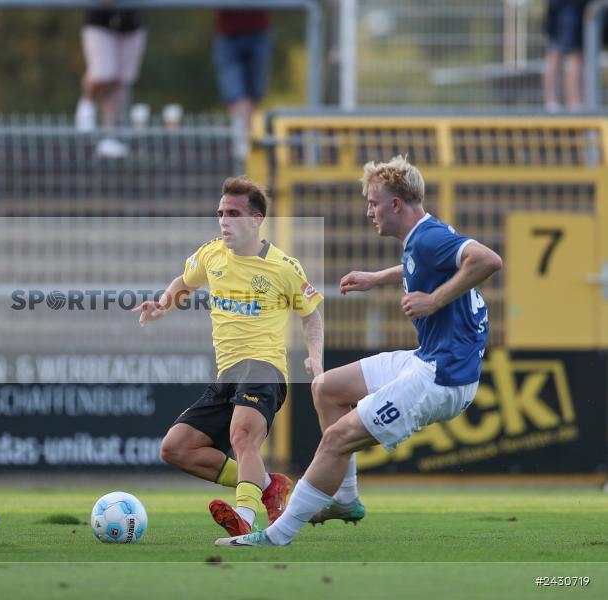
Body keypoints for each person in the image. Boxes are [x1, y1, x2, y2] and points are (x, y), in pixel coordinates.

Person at [216, 156, 502, 547]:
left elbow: (488, 259)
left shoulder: (430, 237)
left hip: (442, 377)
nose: (369, 211)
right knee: (327, 388)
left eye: (373, 202)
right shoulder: (422, 238)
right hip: (426, 358)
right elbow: (421, 265)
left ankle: (276, 536)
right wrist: (377, 278)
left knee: (336, 439)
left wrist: (434, 300)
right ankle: (346, 499)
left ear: (396, 205)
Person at [132, 176, 324, 538]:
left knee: (242, 437)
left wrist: (314, 357)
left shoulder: (283, 267)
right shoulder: (211, 254)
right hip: (227, 375)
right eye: (220, 213)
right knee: (175, 448)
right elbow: (184, 282)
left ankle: (246, 519)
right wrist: (162, 305)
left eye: (233, 213)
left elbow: (311, 314)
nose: (223, 221)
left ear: (256, 219)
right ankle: (267, 485)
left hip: (264, 367)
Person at [74, 8, 147, 158]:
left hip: (131, 24)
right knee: (103, 73)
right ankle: (87, 102)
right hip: (100, 22)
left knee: (120, 80)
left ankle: (110, 136)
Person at [212, 10, 272, 158]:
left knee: (254, 92)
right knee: (236, 94)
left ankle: (246, 139)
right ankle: (243, 142)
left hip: (258, 30)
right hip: (229, 33)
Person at [543, 0, 591, 112]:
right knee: (566, 53)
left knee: (575, 55)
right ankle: (560, 103)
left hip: (573, 6)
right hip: (566, 6)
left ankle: (572, 103)